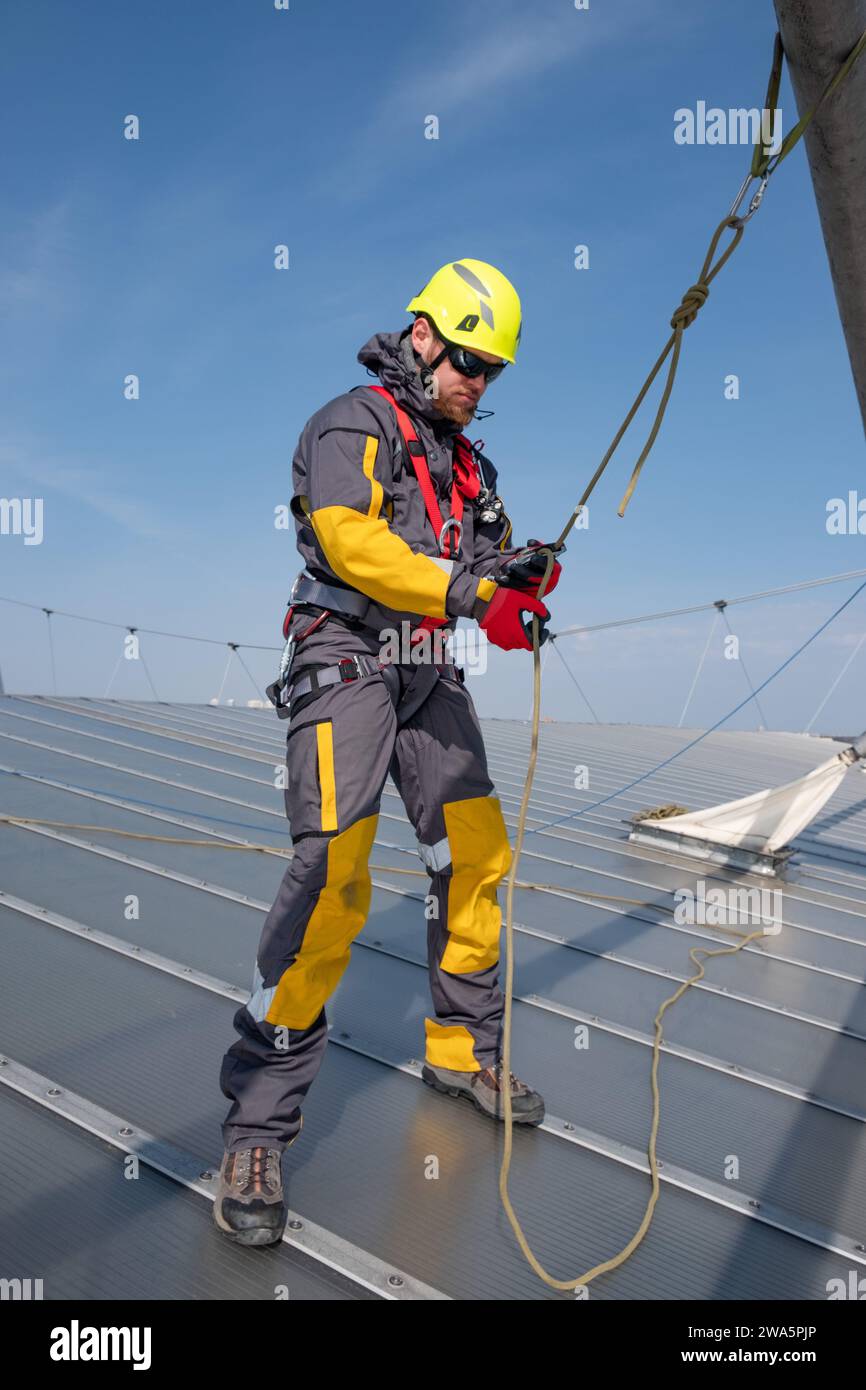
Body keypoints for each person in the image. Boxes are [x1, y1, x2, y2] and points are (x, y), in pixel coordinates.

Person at [214, 258, 562, 1246]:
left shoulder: (468, 467)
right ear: (422, 334)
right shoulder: (351, 424)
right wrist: (465, 593)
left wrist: (518, 587)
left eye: (492, 370)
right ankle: (255, 1124)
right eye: (466, 360)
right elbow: (352, 542)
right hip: (346, 658)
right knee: (333, 871)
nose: (477, 383)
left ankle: (460, 1051)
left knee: (477, 853)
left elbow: (483, 574)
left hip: (425, 669)